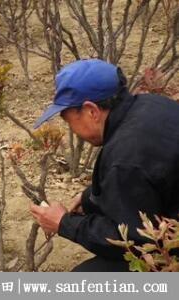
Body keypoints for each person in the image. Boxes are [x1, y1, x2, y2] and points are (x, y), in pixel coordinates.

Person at [30, 59, 179, 271]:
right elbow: (152, 178)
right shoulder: (152, 105)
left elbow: (136, 244)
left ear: (91, 111)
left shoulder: (125, 156)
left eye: (69, 120)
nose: (71, 129)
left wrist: (64, 223)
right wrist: (89, 198)